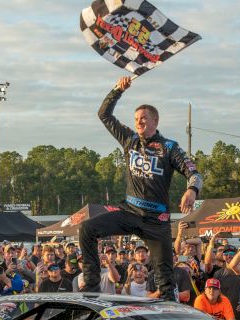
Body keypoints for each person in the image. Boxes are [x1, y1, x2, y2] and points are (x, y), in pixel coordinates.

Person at [78, 76, 203, 298]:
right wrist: (118, 89)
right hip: (129, 212)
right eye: (136, 119)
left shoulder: (169, 147)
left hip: (157, 221)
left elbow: (194, 173)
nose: (139, 122)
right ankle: (91, 288)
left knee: (165, 280)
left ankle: (170, 318)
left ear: (155, 121)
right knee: (87, 229)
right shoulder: (130, 139)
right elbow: (104, 115)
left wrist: (191, 190)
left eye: (144, 118)